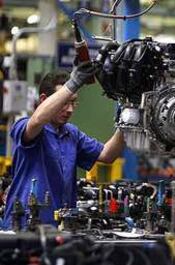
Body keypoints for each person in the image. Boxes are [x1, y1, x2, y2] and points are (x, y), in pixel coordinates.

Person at [2, 62, 125, 229]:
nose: (69, 110)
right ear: (44, 100)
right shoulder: (25, 126)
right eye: (64, 102)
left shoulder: (71, 134)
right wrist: (73, 84)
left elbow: (108, 155)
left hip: (60, 228)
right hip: (23, 226)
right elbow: (37, 120)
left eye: (73, 102)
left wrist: (127, 121)